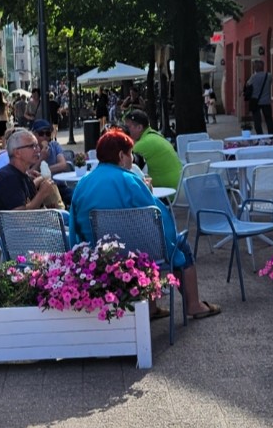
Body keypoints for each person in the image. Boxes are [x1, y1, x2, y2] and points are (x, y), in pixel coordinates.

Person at [69, 128, 221, 320]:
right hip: (137, 253)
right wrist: (147, 192)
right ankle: (194, 305)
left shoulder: (83, 184)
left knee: (143, 244)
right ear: (121, 155)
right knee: (178, 245)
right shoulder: (130, 180)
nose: (132, 159)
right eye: (130, 154)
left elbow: (75, 225)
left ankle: (151, 309)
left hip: (100, 255)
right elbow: (157, 219)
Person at [0, 128, 62, 227]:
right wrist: (42, 194)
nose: (38, 149)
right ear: (17, 153)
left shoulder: (21, 173)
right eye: (32, 146)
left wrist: (39, 183)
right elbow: (21, 217)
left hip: (31, 232)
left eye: (37, 145)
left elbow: (24, 196)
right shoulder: (8, 178)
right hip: (19, 238)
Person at [123, 110, 182, 189]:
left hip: (167, 192)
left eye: (128, 127)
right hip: (179, 187)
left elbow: (123, 168)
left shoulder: (142, 145)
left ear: (139, 127)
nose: (124, 130)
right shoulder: (155, 135)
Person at [245, 60, 273, 134]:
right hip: (266, 101)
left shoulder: (253, 77)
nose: (254, 67)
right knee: (269, 119)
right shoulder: (269, 75)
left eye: (255, 66)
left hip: (255, 101)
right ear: (263, 67)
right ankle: (271, 136)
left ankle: (260, 136)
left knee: (257, 121)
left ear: (256, 68)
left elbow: (247, 85)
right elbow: (271, 82)